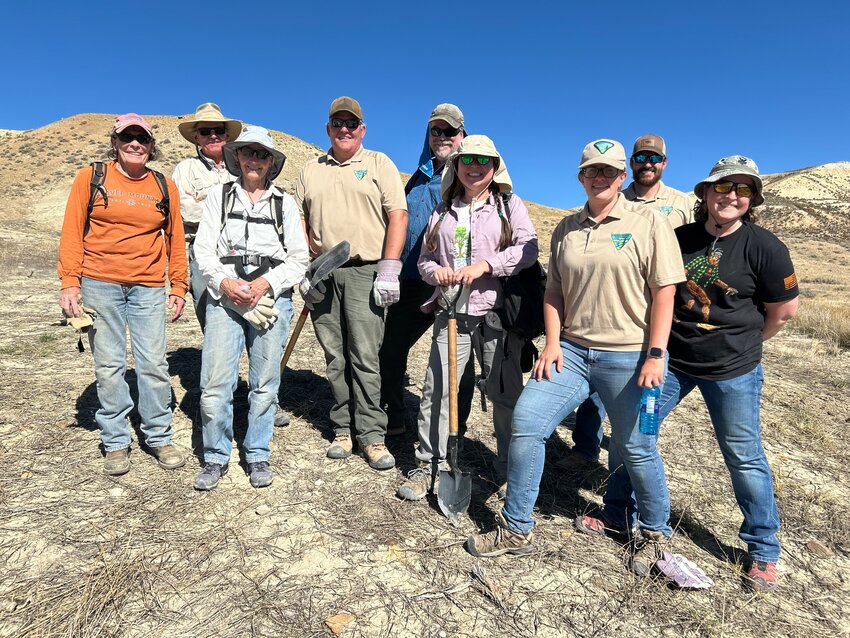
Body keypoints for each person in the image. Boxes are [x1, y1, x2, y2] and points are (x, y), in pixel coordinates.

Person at [466, 139, 685, 577]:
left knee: (636, 446)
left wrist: (656, 354)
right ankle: (516, 528)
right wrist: (551, 343)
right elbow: (553, 292)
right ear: (581, 177)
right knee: (528, 424)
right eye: (591, 170)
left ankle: (655, 534)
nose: (600, 177)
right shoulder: (566, 228)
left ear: (622, 177)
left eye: (609, 171)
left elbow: (665, 293)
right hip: (571, 351)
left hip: (629, 355)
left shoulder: (649, 223)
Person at [584, 156, 799, 592]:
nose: (730, 196)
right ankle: (616, 512)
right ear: (705, 192)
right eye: (722, 187)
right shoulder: (677, 238)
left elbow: (783, 312)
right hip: (670, 364)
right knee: (634, 436)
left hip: (733, 370)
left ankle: (762, 549)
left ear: (752, 199)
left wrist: (747, 344)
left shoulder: (765, 247)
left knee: (743, 454)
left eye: (742, 189)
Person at [396, 135, 538, 501]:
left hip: (495, 315)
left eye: (483, 160)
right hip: (450, 311)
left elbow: (528, 248)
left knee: (505, 394)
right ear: (457, 166)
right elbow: (426, 259)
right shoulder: (443, 211)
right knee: (437, 390)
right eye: (467, 160)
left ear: (494, 167)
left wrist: (489, 265)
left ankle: (509, 468)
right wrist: (434, 273)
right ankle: (429, 464)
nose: (474, 166)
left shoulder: (509, 205)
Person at [58, 113, 188, 476]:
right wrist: (69, 280)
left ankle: (158, 435)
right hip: (100, 283)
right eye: (128, 137)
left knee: (153, 363)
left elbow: (175, 238)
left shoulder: (163, 185)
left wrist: (178, 284)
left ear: (151, 145)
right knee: (110, 365)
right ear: (114, 142)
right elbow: (71, 229)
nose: (135, 143)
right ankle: (115, 441)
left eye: (142, 138)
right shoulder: (92, 176)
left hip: (147, 285)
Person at [567, 134, 697, 468]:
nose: (647, 164)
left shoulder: (681, 203)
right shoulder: (614, 196)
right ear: (630, 167)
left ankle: (632, 459)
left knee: (647, 390)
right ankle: (585, 448)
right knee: (596, 387)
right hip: (616, 309)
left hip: (666, 303)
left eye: (654, 158)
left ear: (664, 163)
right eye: (640, 158)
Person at [192, 126, 309, 490]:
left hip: (270, 298)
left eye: (261, 154)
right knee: (215, 383)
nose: (254, 160)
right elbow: (203, 249)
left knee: (264, 382)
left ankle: (257, 451)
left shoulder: (284, 203)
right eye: (248, 153)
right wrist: (226, 284)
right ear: (237, 157)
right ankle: (215, 455)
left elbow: (298, 258)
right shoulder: (219, 197)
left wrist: (264, 284)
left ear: (271, 162)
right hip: (225, 298)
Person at [296, 96, 408, 471]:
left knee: (365, 355)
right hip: (324, 269)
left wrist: (390, 266)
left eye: (351, 124)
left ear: (361, 129)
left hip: (366, 269)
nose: (344, 129)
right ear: (328, 128)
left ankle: (372, 435)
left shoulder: (379, 163)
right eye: (337, 123)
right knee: (334, 354)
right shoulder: (311, 168)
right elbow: (300, 218)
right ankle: (342, 427)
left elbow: (398, 214)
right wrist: (304, 268)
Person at [379, 103, 475, 437]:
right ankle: (393, 413)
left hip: (451, 281)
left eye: (450, 131)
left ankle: (455, 425)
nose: (442, 137)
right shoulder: (419, 175)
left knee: (457, 356)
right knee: (391, 346)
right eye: (436, 130)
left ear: (462, 134)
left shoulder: (470, 173)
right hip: (410, 277)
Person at [172, 102, 242, 330]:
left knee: (247, 313)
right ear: (196, 137)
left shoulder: (244, 165)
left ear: (227, 134)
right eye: (205, 131)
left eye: (218, 130)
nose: (213, 135)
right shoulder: (185, 169)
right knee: (209, 315)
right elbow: (185, 211)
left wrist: (205, 200)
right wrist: (229, 208)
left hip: (244, 249)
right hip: (203, 250)